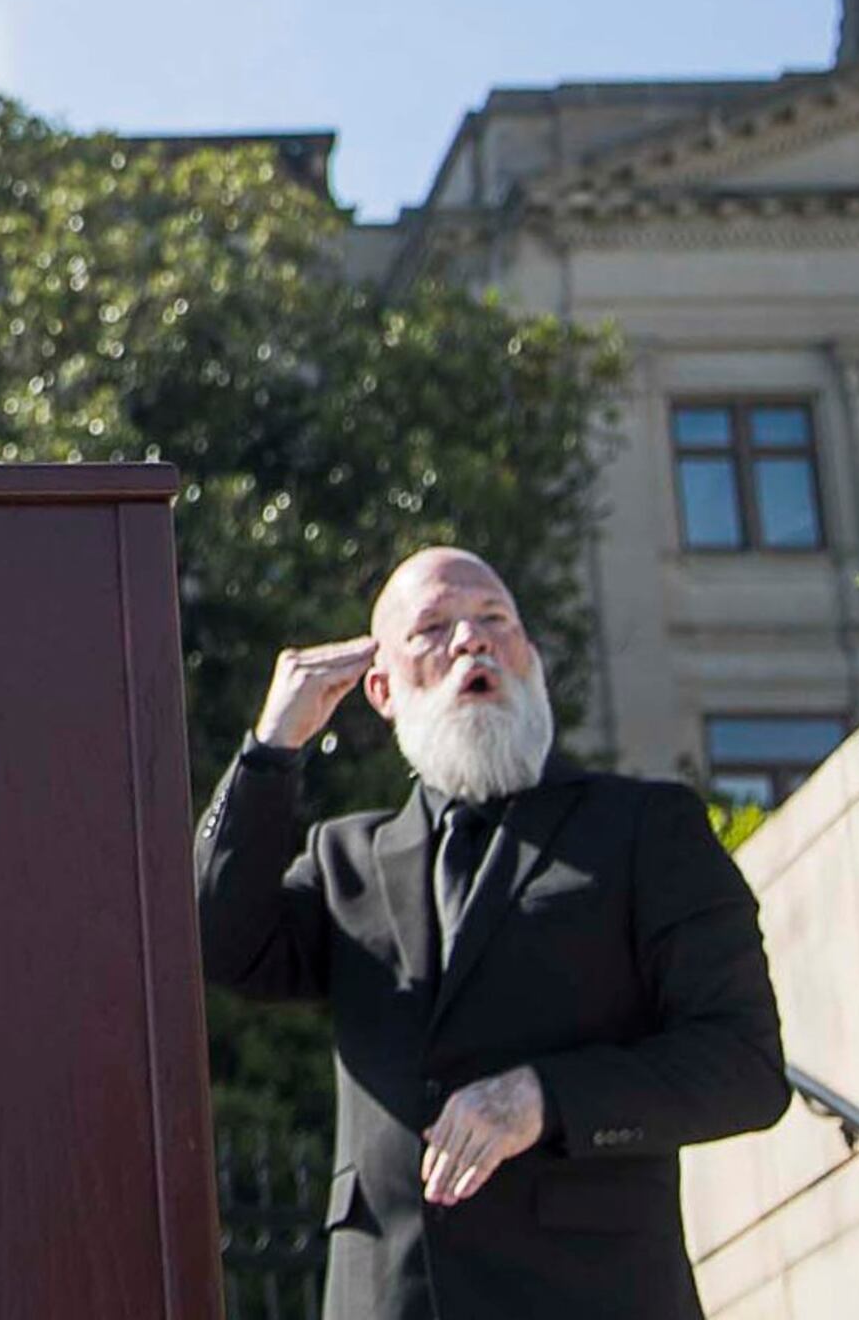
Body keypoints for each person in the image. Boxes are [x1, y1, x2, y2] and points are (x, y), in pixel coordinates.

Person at [193, 547, 789, 1320]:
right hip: (390, 1297)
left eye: (494, 620)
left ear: (529, 659)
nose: (472, 639)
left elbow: (745, 1066)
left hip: (592, 1296)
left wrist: (544, 1098)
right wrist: (270, 752)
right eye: (434, 628)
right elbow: (212, 940)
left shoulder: (645, 828)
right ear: (380, 688)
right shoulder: (347, 860)